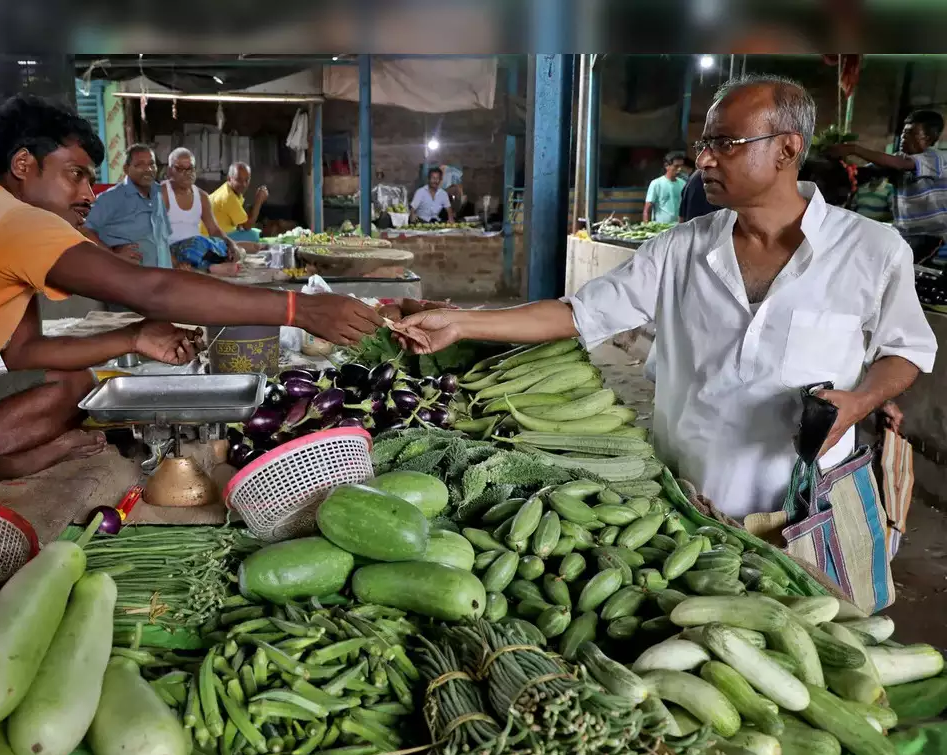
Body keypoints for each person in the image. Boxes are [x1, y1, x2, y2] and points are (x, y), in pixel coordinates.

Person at [0, 95, 382, 510]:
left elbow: (25, 350)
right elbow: (152, 287)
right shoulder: (8, 219)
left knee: (73, 383)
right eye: (76, 173)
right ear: (23, 164)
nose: (90, 190)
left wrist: (136, 338)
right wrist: (299, 309)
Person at [394, 75, 936, 522]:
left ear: (787, 150)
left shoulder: (871, 250)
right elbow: (577, 315)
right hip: (686, 497)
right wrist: (461, 322)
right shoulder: (680, 249)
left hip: (808, 504)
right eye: (705, 144)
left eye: (726, 143)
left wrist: (861, 402)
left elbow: (906, 350)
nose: (704, 160)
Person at [827, 110, 947, 263]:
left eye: (910, 133)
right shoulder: (898, 158)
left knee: (902, 267)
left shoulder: (934, 157)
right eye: (903, 133)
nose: (904, 137)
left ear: (929, 138)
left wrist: (854, 149)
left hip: (933, 235)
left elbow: (899, 165)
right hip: (905, 234)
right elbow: (865, 173)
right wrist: (838, 167)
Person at [79, 143, 171, 269]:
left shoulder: (159, 194)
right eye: (139, 165)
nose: (148, 169)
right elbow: (83, 229)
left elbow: (162, 241)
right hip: (128, 280)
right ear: (126, 169)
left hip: (161, 278)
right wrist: (112, 256)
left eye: (151, 164)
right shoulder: (111, 198)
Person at [161, 148, 238, 272]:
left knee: (227, 246)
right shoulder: (163, 192)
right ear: (170, 171)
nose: (187, 173)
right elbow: (156, 236)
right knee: (196, 245)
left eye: (190, 168)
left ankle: (210, 265)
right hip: (171, 250)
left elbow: (213, 229)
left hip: (198, 249)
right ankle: (212, 266)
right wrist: (174, 262)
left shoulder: (202, 196)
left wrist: (231, 245)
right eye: (181, 169)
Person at [203, 161, 268, 242]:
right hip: (211, 238)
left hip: (213, 234)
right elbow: (247, 226)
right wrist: (259, 201)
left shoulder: (229, 189)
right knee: (253, 235)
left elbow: (242, 223)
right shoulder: (229, 197)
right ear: (229, 178)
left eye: (246, 180)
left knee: (254, 231)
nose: (243, 184)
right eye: (239, 180)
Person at [642, 150, 688, 224]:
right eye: (676, 166)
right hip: (660, 228)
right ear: (667, 166)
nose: (679, 169)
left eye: (681, 166)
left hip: (678, 227)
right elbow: (647, 210)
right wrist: (646, 227)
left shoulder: (683, 184)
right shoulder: (656, 184)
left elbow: (685, 207)